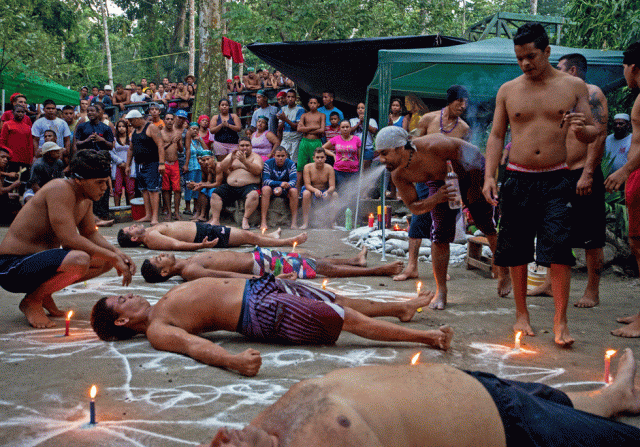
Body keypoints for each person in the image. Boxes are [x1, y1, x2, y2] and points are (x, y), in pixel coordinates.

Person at [205, 348, 640, 446]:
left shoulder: (267, 429)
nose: (225, 438)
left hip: (479, 386)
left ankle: (615, 396)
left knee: (575, 402)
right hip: (512, 429)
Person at [482, 23, 598, 347]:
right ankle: (522, 313)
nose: (525, 64)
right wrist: (489, 176)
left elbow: (592, 132)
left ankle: (560, 321)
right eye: (520, 58)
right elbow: (496, 135)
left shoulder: (574, 87)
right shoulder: (508, 90)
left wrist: (581, 130)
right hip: (517, 177)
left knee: (560, 248)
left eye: (531, 56)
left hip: (557, 178)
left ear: (547, 52)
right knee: (517, 248)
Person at [90, 275, 452, 375]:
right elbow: (194, 347)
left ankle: (400, 308)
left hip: (262, 288)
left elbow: (219, 281)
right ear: (122, 320)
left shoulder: (160, 306)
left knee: (338, 301)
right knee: (346, 321)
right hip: (260, 310)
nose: (130, 296)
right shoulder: (157, 328)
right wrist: (232, 361)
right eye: (122, 301)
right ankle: (426, 338)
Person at [0, 150, 135, 328]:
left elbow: (90, 234)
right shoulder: (60, 189)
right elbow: (69, 239)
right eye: (99, 182)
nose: (105, 188)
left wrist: (117, 253)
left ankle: (43, 294)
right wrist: (112, 255)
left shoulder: (86, 198)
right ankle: (32, 301)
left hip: (40, 263)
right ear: (79, 180)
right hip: (12, 267)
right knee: (80, 259)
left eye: (106, 182)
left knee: (106, 260)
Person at [375, 127, 500, 310]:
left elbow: (473, 154)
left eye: (384, 153)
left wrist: (473, 189)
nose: (381, 160)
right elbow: (414, 207)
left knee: (484, 223)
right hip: (441, 180)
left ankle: (502, 270)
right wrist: (436, 198)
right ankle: (441, 290)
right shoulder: (398, 174)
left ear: (400, 148)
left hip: (471, 170)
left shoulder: (434, 145)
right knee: (440, 233)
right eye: (379, 154)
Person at [528, 53, 609, 308]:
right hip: (558, 173)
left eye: (559, 69)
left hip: (584, 172)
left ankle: (592, 291)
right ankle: (550, 284)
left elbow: (599, 136)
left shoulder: (592, 94)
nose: (555, 73)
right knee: (554, 231)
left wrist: (587, 173)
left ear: (573, 70)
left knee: (591, 236)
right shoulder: (560, 97)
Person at [605, 41, 640, 338]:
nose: (623, 73)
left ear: (633, 67)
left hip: (637, 173)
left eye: (624, 68)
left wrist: (626, 169)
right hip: (635, 175)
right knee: (638, 245)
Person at [140, 246, 404, 282]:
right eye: (158, 259)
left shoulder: (187, 260)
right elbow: (229, 276)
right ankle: (377, 270)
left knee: (310, 259)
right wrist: (271, 279)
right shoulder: (190, 271)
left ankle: (354, 260)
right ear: (164, 271)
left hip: (258, 257)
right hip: (262, 268)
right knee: (321, 270)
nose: (160, 254)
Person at [117, 221, 307, 251]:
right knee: (249, 238)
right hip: (204, 236)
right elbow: (176, 245)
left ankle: (272, 236)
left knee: (246, 235)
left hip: (203, 229)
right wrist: (202, 246)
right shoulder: (151, 239)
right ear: (134, 239)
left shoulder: (150, 230)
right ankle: (287, 242)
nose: (133, 226)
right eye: (130, 229)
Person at [209, 137, 263, 230]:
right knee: (215, 194)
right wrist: (230, 159)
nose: (244, 148)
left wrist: (244, 162)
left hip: (248, 186)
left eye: (247, 145)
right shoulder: (233, 155)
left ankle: (245, 219)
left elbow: (257, 171)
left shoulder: (256, 157)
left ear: (251, 146)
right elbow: (221, 167)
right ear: (238, 147)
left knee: (254, 195)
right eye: (242, 145)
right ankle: (215, 220)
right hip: (231, 186)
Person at [125, 109, 165, 225]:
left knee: (153, 190)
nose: (130, 123)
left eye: (131, 120)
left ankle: (155, 217)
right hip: (138, 164)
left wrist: (162, 163)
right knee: (144, 190)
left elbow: (160, 145)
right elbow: (131, 149)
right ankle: (148, 215)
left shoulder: (151, 127)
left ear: (138, 118)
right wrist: (128, 165)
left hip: (152, 163)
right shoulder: (134, 130)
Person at [261, 146, 298, 230]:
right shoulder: (268, 163)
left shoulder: (291, 164)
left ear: (286, 156)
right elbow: (265, 180)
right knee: (265, 189)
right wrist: (280, 184)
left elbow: (293, 181)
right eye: (278, 156)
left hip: (286, 189)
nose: (280, 158)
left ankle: (294, 222)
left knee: (294, 191)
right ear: (274, 156)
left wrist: (283, 188)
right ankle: (263, 221)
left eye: (282, 156)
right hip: (272, 188)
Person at [301, 148, 338, 229]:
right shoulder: (307, 167)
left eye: (322, 157)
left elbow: (332, 186)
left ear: (325, 158)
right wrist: (315, 190)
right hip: (311, 189)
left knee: (335, 194)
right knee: (306, 193)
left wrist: (327, 192)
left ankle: (332, 222)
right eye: (317, 157)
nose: (320, 160)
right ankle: (305, 223)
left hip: (324, 190)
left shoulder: (329, 168)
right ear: (313, 158)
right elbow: (307, 185)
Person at [322, 119, 361, 192]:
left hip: (353, 171)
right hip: (339, 171)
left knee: (352, 193)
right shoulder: (336, 138)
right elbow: (323, 148)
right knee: (340, 192)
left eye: (347, 127)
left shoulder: (357, 139)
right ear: (340, 128)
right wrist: (333, 155)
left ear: (350, 128)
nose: (345, 129)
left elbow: (360, 156)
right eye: (343, 127)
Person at [295, 97, 325, 189]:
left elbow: (322, 130)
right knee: (300, 166)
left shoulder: (321, 115)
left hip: (316, 142)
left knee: (316, 165)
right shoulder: (304, 115)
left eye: (314, 103)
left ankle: (315, 189)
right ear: (308, 104)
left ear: (318, 104)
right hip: (304, 142)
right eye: (311, 103)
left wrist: (307, 129)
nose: (312, 105)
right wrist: (314, 127)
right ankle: (297, 189)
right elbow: (299, 129)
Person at [183, 122, 213, 216]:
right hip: (190, 167)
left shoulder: (198, 141)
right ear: (189, 130)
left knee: (198, 186)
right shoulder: (187, 140)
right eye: (193, 129)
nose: (195, 131)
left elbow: (206, 151)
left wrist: (200, 140)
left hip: (200, 167)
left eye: (197, 129)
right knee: (189, 186)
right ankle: (187, 207)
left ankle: (196, 207)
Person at [0, 104, 34, 184]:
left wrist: (30, 159)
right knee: (10, 180)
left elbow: (30, 144)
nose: (20, 114)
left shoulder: (27, 127)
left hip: (24, 162)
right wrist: (9, 153)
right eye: (18, 111)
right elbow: (2, 142)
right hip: (11, 161)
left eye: (22, 112)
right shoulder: (7, 124)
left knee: (23, 180)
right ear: (13, 112)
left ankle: (21, 195)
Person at [159, 113, 184, 221]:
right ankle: (168, 212)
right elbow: (159, 149)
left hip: (175, 163)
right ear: (164, 120)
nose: (169, 121)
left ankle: (177, 212)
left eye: (171, 119)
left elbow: (181, 150)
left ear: (174, 121)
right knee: (165, 189)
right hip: (164, 163)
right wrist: (170, 143)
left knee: (177, 189)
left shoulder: (177, 132)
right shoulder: (160, 133)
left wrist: (178, 142)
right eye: (167, 119)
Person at [110, 119, 135, 207]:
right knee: (117, 189)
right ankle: (117, 209)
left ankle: (132, 209)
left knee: (130, 189)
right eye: (119, 126)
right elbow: (111, 152)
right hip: (118, 166)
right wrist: (120, 162)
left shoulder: (132, 139)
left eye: (123, 126)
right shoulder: (114, 140)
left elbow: (134, 152)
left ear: (127, 128)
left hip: (130, 166)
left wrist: (128, 163)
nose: (121, 128)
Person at [277, 90, 305, 161]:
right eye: (288, 97)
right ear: (286, 98)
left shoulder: (300, 109)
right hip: (285, 139)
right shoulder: (283, 109)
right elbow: (279, 128)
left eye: (292, 97)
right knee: (282, 160)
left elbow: (297, 127)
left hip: (296, 140)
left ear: (296, 98)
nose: (290, 99)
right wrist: (283, 120)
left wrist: (285, 119)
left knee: (294, 162)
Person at [349, 102, 378, 171]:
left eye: (362, 108)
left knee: (366, 170)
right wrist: (359, 123)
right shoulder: (352, 120)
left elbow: (374, 131)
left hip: (367, 148)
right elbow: (349, 131)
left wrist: (365, 121)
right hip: (355, 148)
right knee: (355, 168)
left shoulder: (371, 120)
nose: (360, 110)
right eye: (358, 108)